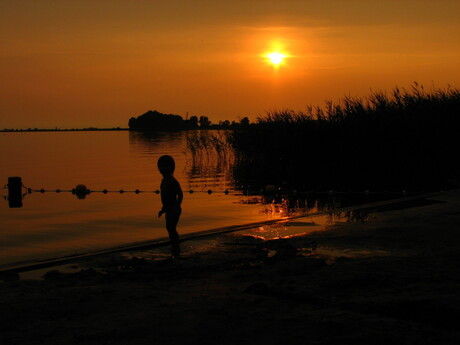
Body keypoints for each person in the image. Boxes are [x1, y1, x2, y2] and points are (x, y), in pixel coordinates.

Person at [157, 155, 183, 257]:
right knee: (169, 227)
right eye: (160, 166)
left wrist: (177, 206)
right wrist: (162, 209)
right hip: (168, 208)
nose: (162, 168)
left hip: (174, 208)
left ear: (171, 168)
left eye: (165, 166)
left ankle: (176, 245)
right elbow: (164, 197)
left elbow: (180, 194)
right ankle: (174, 244)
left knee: (171, 227)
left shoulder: (173, 181)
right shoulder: (163, 181)